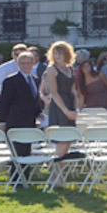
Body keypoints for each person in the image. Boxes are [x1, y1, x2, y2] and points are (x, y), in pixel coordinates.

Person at [41, 41, 79, 187]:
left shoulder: (70, 68)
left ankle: (58, 175)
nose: (57, 56)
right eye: (55, 53)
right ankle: (55, 176)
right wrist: (66, 111)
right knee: (62, 141)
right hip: (59, 106)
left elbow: (74, 91)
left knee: (68, 142)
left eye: (60, 53)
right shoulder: (52, 69)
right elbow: (54, 93)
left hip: (70, 102)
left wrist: (75, 109)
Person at [0, 49, 44, 159]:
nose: (25, 66)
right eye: (22, 63)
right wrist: (2, 122)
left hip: (29, 122)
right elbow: (4, 103)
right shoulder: (10, 81)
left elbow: (34, 101)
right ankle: (16, 176)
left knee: (27, 155)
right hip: (15, 122)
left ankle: (25, 177)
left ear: (33, 63)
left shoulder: (35, 80)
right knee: (17, 155)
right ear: (18, 64)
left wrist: (40, 114)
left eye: (28, 63)